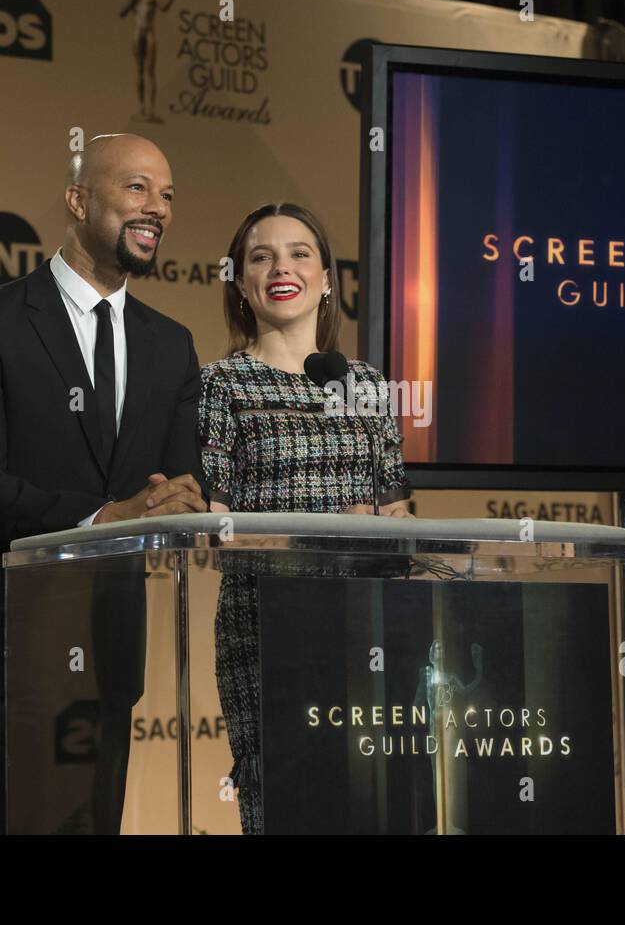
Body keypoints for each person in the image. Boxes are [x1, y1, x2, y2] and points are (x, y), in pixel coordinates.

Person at [0, 133, 206, 834]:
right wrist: (102, 516)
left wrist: (182, 503)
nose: (158, 208)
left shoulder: (170, 345)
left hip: (106, 648)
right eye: (138, 187)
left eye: (168, 194)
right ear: (79, 200)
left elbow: (177, 488)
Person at [198, 202, 412, 834]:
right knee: (281, 808)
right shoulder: (220, 386)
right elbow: (218, 528)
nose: (280, 267)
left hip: (367, 629)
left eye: (299, 253)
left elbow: (399, 522)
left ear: (326, 279)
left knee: (372, 807)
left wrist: (374, 525)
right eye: (260, 256)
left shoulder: (368, 386)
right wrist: (320, 531)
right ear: (240, 282)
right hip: (266, 630)